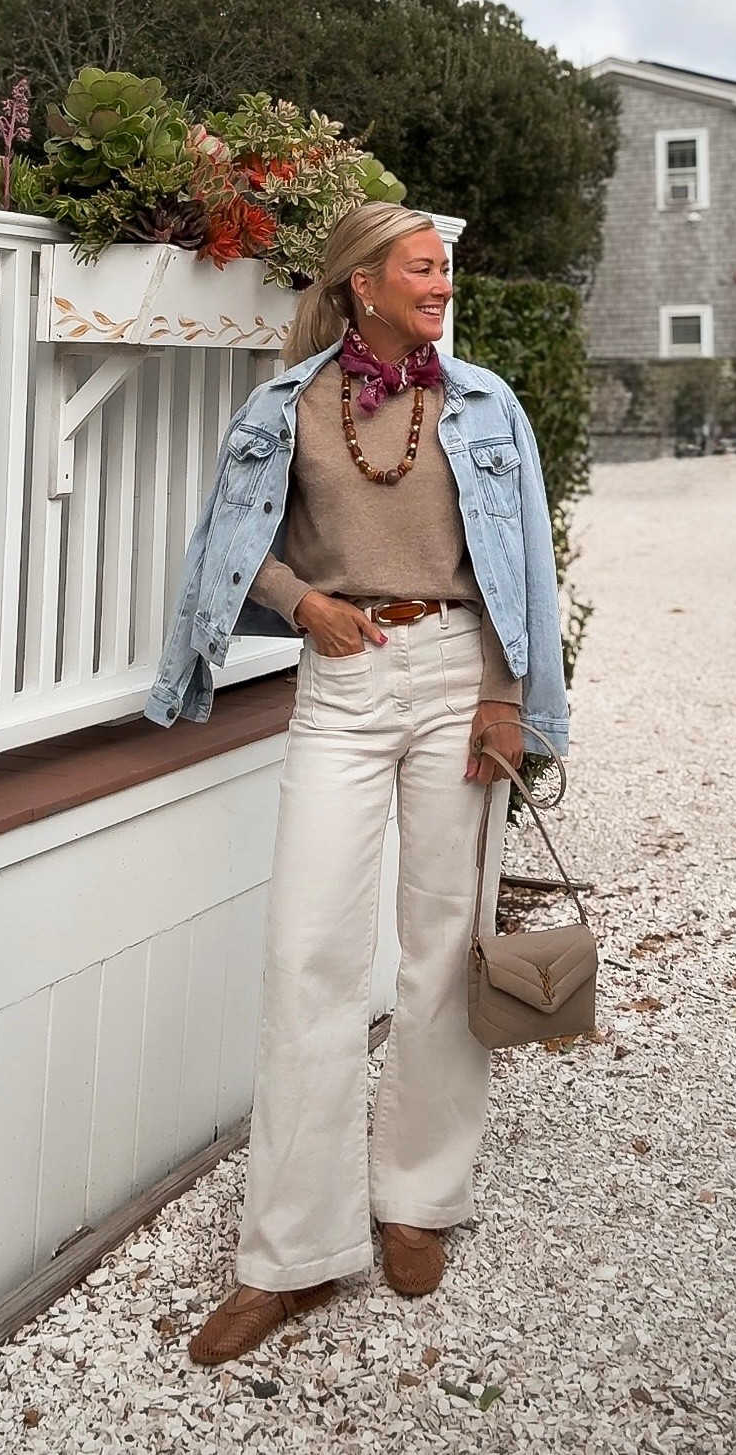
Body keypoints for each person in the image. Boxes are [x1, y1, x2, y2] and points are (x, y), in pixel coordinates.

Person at [144, 202, 568, 1364]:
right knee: (307, 956)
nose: (441, 285)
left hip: (459, 675)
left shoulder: (485, 403)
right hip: (342, 681)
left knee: (442, 943)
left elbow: (524, 560)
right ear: (362, 285)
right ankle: (289, 1254)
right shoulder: (283, 407)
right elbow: (231, 547)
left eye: (445, 270)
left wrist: (508, 696)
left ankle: (418, 1198)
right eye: (421, 269)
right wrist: (305, 605)